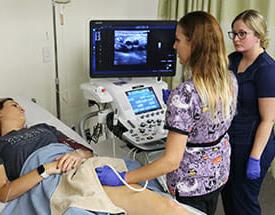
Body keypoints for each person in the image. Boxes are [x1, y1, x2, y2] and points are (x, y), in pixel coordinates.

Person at [95, 11, 238, 215]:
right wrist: (181, 112)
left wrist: (123, 178)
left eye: (178, 40)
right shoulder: (229, 80)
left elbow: (171, 161)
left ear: (194, 44)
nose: (174, 46)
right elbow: (210, 119)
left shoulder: (185, 94)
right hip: (218, 173)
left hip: (190, 186)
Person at [0, 98, 202, 215]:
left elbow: (86, 150)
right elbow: (4, 193)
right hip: (56, 176)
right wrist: (47, 169)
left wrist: (78, 154)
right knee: (161, 207)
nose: (22, 107)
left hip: (81, 165)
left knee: (166, 205)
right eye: (14, 105)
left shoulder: (44, 127)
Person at [221, 9, 275, 215]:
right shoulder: (233, 60)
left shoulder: (267, 69)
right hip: (231, 141)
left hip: (254, 145)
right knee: (229, 196)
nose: (235, 38)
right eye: (233, 33)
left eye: (242, 33)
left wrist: (254, 158)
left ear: (258, 36)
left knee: (245, 201)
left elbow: (268, 120)